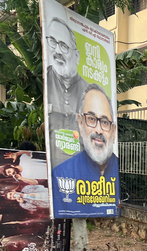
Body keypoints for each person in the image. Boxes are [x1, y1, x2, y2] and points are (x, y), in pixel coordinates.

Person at [51, 83, 119, 218]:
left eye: (105, 122)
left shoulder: (117, 167)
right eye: (92, 119)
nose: (99, 130)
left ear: (113, 131)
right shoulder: (61, 173)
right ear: (80, 123)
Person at [45, 17, 89, 167]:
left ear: (76, 56)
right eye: (53, 42)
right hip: (52, 174)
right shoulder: (45, 81)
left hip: (81, 175)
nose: (57, 50)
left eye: (63, 45)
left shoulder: (90, 93)